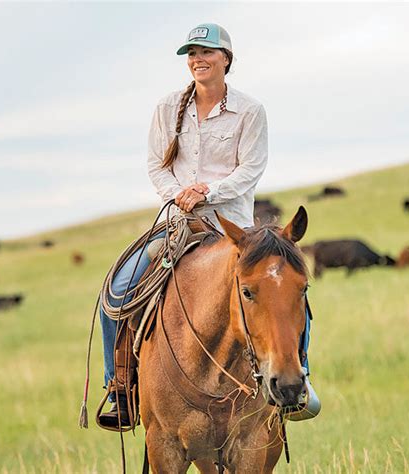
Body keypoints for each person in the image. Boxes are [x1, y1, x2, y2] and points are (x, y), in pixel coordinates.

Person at [98, 23, 319, 428]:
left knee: (289, 293)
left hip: (233, 230)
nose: (198, 59)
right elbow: (155, 167)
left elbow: (251, 169)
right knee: (117, 290)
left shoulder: (250, 111)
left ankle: (298, 380)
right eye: (192, 53)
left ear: (226, 60)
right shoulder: (167, 108)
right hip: (178, 227)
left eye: (207, 52)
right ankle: (121, 389)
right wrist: (180, 194)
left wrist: (207, 192)